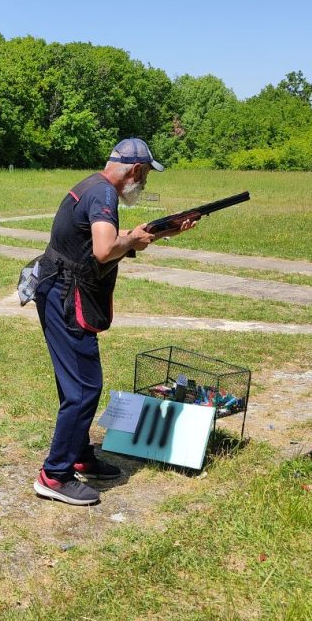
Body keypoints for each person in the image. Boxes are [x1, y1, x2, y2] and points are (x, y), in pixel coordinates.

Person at [32, 138, 194, 506]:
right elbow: (106, 250)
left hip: (57, 288)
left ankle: (78, 455)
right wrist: (134, 240)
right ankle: (54, 475)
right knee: (84, 387)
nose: (147, 183)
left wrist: (159, 232)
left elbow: (105, 243)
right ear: (135, 170)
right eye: (147, 175)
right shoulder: (104, 195)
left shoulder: (94, 185)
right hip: (64, 295)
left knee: (75, 384)